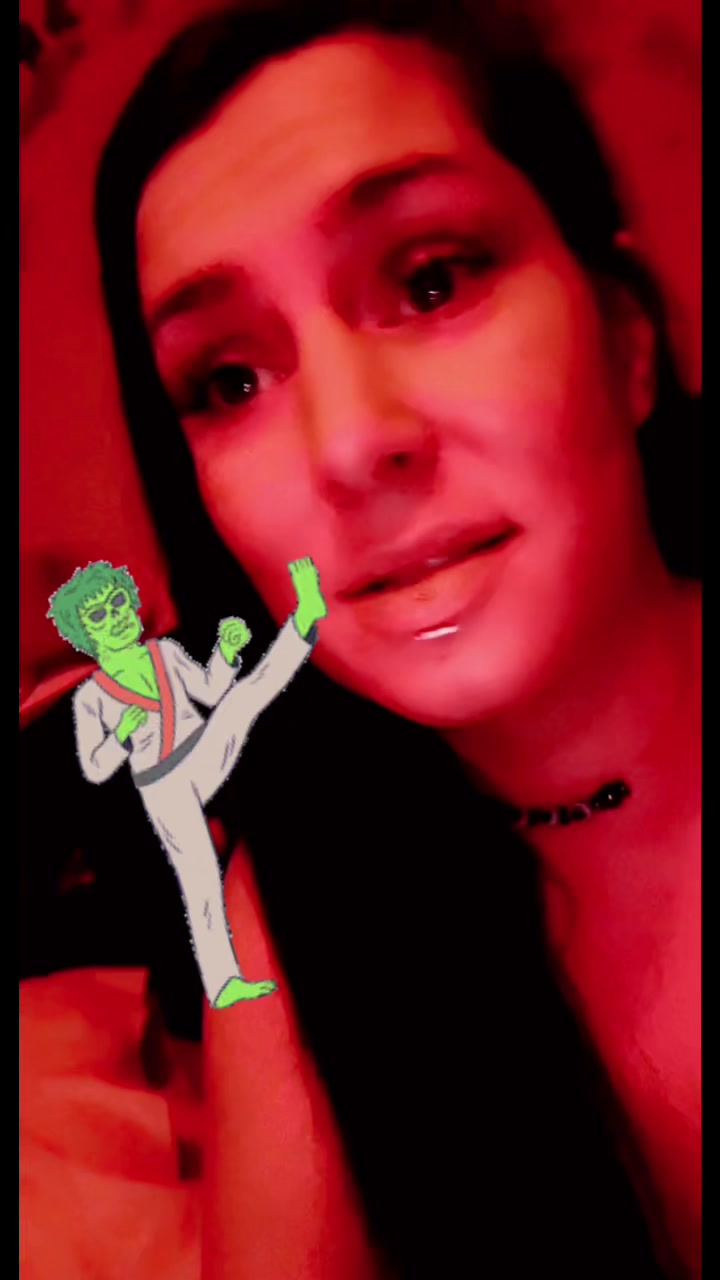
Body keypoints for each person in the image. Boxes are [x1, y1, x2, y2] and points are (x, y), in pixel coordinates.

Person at [90, 1, 700, 1277]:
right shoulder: (301, 902)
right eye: (229, 381)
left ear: (626, 336)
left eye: (432, 280)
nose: (352, 444)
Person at [46, 556, 327, 1009]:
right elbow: (95, 767)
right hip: (163, 786)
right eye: (98, 615)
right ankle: (224, 984)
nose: (114, 618)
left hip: (202, 752)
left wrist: (225, 653)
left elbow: (211, 692)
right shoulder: (93, 698)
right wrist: (120, 737)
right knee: (199, 878)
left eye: (118, 604)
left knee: (241, 700)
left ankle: (304, 621)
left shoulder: (165, 653)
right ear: (83, 634)